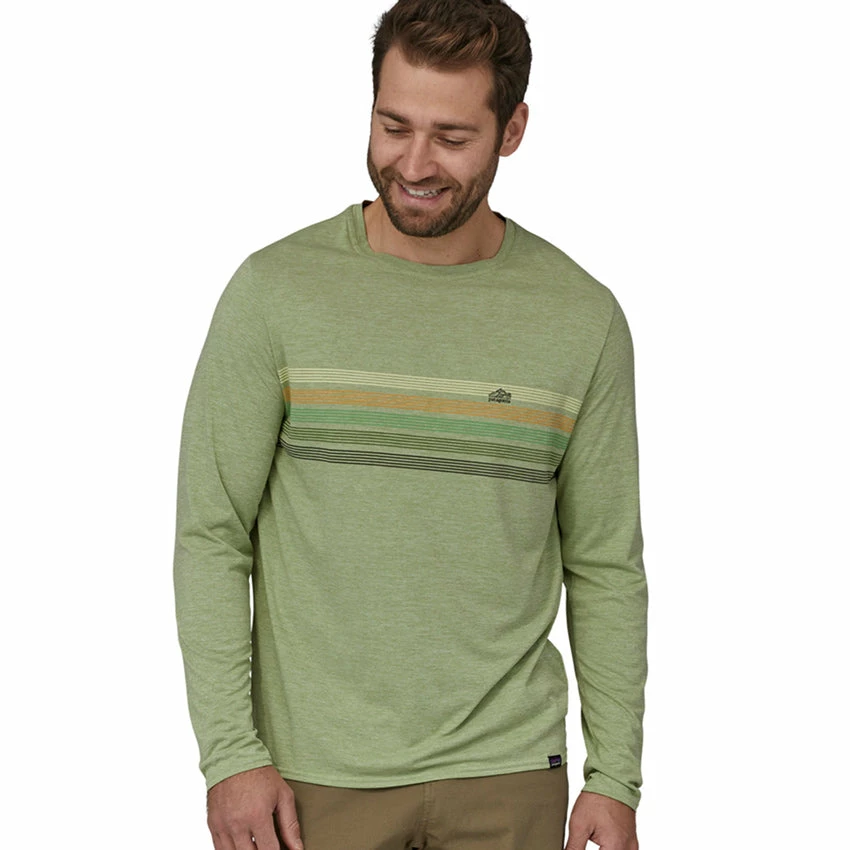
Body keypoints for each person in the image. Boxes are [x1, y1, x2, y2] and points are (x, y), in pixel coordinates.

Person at [173, 1, 648, 848]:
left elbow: (605, 562)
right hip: (314, 779)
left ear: (512, 131)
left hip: (509, 774)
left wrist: (615, 778)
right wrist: (230, 757)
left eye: (452, 137)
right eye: (393, 126)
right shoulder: (275, 294)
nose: (415, 164)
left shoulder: (581, 319)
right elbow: (212, 534)